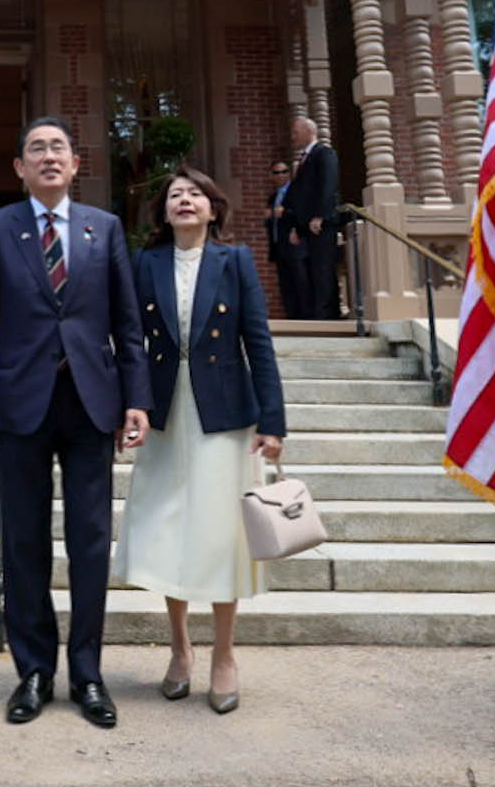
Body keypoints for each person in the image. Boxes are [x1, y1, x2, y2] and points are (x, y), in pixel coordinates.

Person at [0, 117, 150, 729]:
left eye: (59, 149)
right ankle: (34, 671)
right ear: (18, 168)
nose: (48, 157)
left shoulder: (106, 228)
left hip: (92, 401)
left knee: (90, 542)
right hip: (18, 403)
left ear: (76, 164)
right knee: (22, 542)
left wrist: (136, 399)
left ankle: (88, 672)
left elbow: (127, 324)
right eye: (36, 149)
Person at [116, 165, 286, 714]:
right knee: (170, 527)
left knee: (220, 533)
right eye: (174, 195)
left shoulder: (233, 261)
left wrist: (273, 421)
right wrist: (132, 403)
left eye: (195, 194)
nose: (184, 201)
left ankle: (224, 655)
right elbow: (131, 342)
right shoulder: (146, 263)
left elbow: (257, 340)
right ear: (164, 213)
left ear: (214, 209)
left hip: (225, 413)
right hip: (165, 412)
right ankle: (180, 648)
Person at [285, 114, 341, 320]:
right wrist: (296, 227)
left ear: (309, 131)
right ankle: (317, 312)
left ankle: (326, 315)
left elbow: (328, 186)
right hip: (306, 226)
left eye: (296, 132)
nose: (293, 137)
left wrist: (320, 216)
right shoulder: (304, 158)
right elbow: (301, 194)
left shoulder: (323, 153)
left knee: (323, 269)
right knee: (311, 270)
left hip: (322, 224)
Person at [266, 157, 308, 321]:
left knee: (300, 281)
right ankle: (292, 316)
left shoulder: (296, 192)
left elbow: (302, 213)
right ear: (272, 176)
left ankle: (305, 317)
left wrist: (284, 213)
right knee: (286, 283)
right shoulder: (273, 197)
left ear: (289, 173)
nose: (280, 175)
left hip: (295, 243)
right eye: (276, 172)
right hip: (279, 245)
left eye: (284, 171)